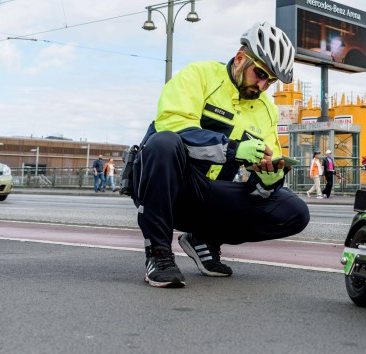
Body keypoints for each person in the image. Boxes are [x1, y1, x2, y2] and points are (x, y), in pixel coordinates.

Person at [129, 21, 309, 288]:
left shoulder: (267, 111)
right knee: (164, 142)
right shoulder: (198, 75)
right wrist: (234, 149)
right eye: (259, 74)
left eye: (270, 81)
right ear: (240, 59)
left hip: (207, 193)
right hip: (166, 185)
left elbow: (266, 172)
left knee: (294, 211)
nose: (262, 85)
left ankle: (203, 238)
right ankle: (159, 255)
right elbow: (171, 125)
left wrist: (268, 179)